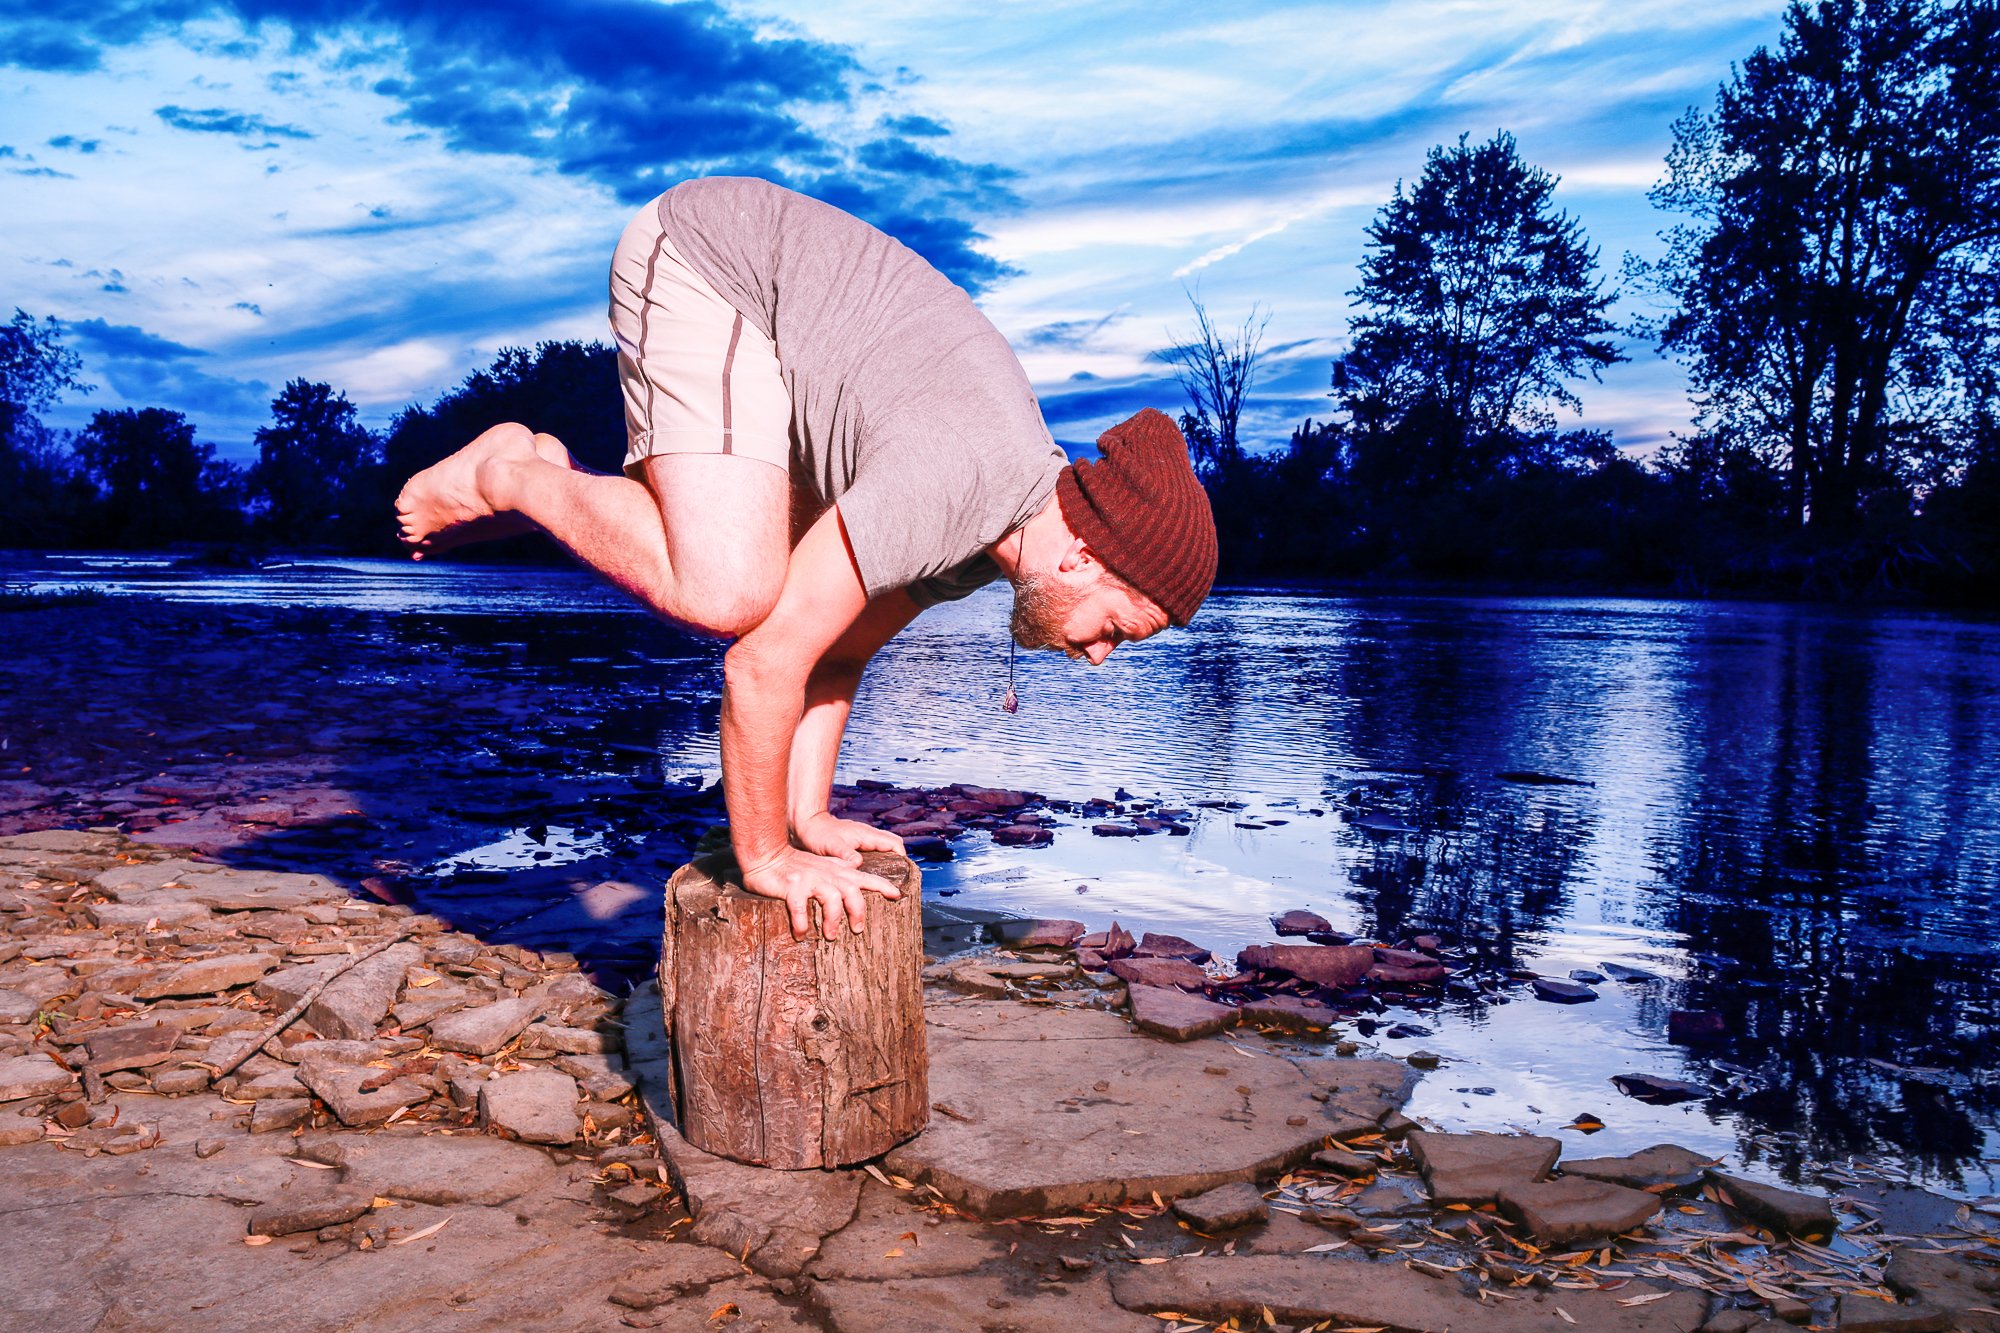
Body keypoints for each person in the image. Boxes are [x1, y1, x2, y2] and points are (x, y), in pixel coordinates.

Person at [395, 177, 1217, 942]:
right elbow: (761, 667)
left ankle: (540, 469)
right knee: (729, 591)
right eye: (1117, 627)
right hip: (709, 259)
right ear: (1079, 555)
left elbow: (839, 648)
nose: (1101, 654)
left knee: (764, 591)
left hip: (778, 346)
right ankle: (510, 473)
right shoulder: (961, 479)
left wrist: (809, 818)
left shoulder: (987, 536)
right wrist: (766, 858)